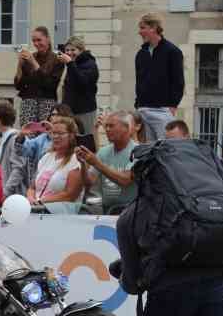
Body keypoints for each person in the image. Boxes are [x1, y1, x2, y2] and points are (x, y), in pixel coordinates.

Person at [135, 13, 185, 141]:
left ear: (153, 28)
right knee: (147, 152)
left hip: (162, 111)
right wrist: (138, 105)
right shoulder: (141, 54)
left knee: (165, 150)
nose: (139, 32)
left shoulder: (172, 52)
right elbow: (139, 81)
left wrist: (172, 107)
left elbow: (178, 81)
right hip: (143, 110)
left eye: (142, 28)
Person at [77, 111, 137, 215]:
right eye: (106, 126)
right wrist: (83, 164)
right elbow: (89, 182)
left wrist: (96, 163)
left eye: (111, 126)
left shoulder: (137, 151)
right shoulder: (104, 151)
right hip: (107, 211)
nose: (107, 129)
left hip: (130, 211)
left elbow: (125, 180)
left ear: (126, 128)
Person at [27, 117, 84, 214]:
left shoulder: (76, 159)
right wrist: (31, 199)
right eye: (54, 133)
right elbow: (32, 187)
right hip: (37, 211)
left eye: (61, 133)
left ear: (71, 136)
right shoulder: (46, 157)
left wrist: (41, 201)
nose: (56, 137)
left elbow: (70, 195)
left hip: (61, 216)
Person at [14, 26, 64, 127]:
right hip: (28, 103)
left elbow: (50, 85)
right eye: (33, 41)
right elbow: (18, 86)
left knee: (46, 135)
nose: (36, 44)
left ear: (48, 39)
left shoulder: (57, 59)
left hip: (47, 103)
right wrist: (20, 65)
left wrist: (34, 63)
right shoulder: (30, 57)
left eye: (39, 40)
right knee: (28, 137)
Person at [59, 36, 100, 133]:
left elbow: (82, 82)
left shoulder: (90, 64)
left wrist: (70, 64)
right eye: (67, 50)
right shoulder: (71, 64)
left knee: (85, 139)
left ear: (81, 50)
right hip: (70, 111)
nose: (69, 53)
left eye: (73, 50)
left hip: (85, 111)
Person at [0, 100, 26, 197]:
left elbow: (18, 168)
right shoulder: (0, 140)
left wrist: (5, 192)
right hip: (0, 193)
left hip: (12, 197)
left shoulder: (16, 139)